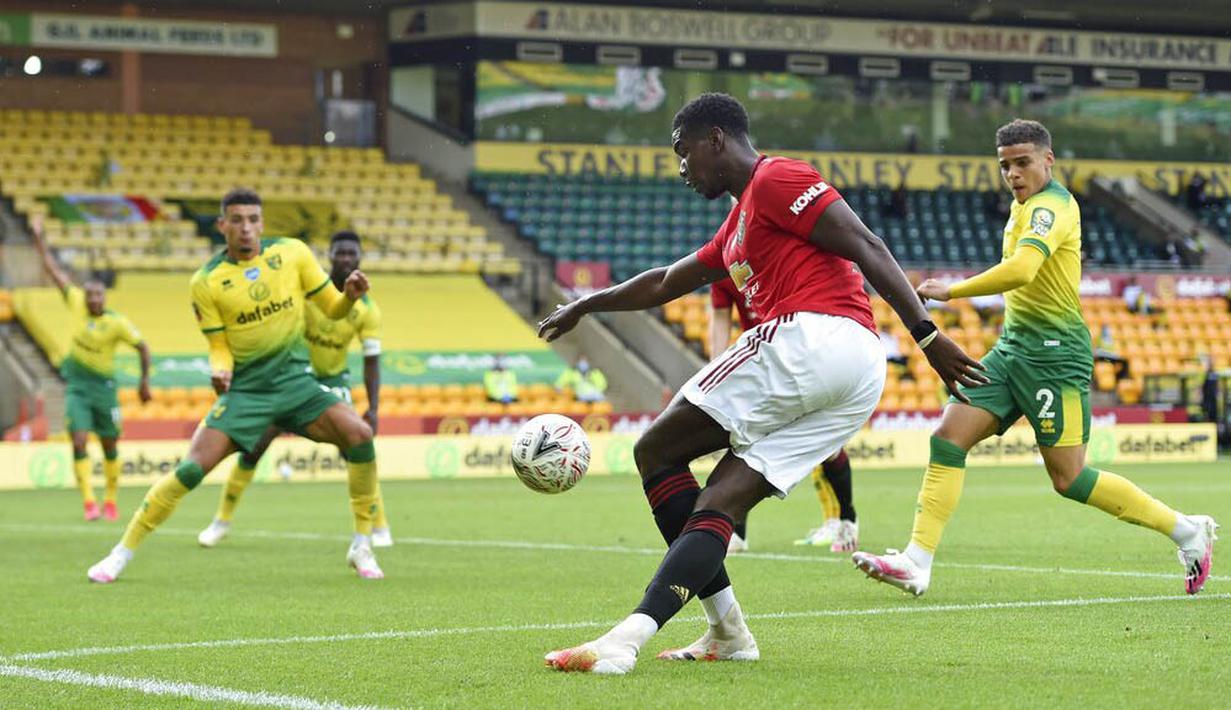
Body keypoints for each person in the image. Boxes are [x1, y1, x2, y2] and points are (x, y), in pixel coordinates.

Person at [535, 93, 983, 674]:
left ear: (715, 139)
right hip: (855, 376)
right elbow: (670, 279)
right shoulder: (737, 224)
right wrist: (588, 303)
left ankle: (648, 637)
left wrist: (926, 336)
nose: (681, 167)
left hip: (813, 337)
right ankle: (720, 633)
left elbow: (868, 244)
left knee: (655, 451)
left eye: (683, 150)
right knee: (717, 501)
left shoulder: (777, 178)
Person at [852, 119, 1218, 598]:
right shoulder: (1020, 205)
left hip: (1054, 357)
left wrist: (953, 291)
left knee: (1069, 479)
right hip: (1011, 349)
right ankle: (917, 561)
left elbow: (1024, 269)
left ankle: (1187, 530)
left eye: (1022, 163)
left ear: (1049, 160)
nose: (1013, 174)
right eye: (1005, 166)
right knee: (947, 439)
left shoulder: (1053, 208)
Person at [86, 188, 386, 583]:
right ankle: (120, 553)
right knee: (191, 471)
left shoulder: (293, 254)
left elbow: (332, 308)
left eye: (253, 220)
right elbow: (218, 347)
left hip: (297, 384)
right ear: (222, 225)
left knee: (360, 435)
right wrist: (219, 370)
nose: (247, 229)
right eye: (238, 220)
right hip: (247, 392)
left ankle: (362, 544)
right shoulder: (207, 282)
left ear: (262, 223)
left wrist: (348, 297)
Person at [196, 230, 393, 549]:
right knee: (253, 448)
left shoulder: (368, 309)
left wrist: (373, 407)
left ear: (359, 258)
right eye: (339, 253)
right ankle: (221, 520)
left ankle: (379, 525)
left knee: (355, 448)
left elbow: (372, 361)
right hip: (291, 379)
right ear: (329, 255)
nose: (345, 259)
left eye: (351, 254)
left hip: (332, 383)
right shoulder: (307, 292)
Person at [708, 276, 858, 554]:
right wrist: (716, 366)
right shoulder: (725, 263)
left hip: (802, 357)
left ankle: (848, 519)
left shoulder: (777, 257)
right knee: (742, 442)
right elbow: (720, 318)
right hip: (758, 362)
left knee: (828, 447)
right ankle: (737, 534)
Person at [31, 216, 152, 522]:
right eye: (90, 295)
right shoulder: (75, 303)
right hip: (78, 387)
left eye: (98, 295)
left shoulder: (116, 323)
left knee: (110, 444)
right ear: (85, 296)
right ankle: (89, 503)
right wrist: (38, 237)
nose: (93, 299)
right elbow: (54, 271)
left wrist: (144, 383)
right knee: (79, 440)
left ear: (104, 297)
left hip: (104, 389)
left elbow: (143, 347)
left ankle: (110, 500)